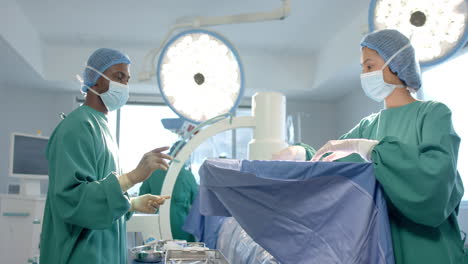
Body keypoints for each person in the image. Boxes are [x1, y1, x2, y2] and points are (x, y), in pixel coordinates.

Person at [276, 29, 467, 263]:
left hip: (430, 251)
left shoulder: (433, 114)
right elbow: (334, 166)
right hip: (384, 249)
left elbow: (435, 181)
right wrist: (302, 154)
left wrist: (373, 151)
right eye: (362, 68)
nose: (364, 75)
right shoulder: (368, 127)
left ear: (396, 65)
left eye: (370, 66)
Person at [40, 48, 173, 264]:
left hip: (103, 252)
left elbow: (102, 193)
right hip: (80, 255)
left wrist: (132, 204)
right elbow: (72, 200)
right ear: (95, 80)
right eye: (118, 76)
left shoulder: (103, 128)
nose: (124, 86)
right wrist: (133, 177)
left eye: (127, 80)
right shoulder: (76, 126)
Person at [140, 140, 199, 241]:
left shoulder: (153, 173)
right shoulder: (187, 176)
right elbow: (198, 202)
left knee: (155, 254)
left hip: (155, 226)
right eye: (188, 154)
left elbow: (141, 197)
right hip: (180, 229)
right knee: (181, 254)